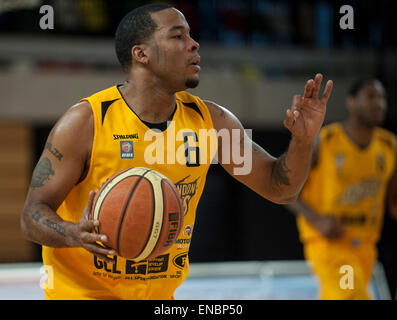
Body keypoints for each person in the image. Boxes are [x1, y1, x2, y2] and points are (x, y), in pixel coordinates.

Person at [21, 4, 333, 299]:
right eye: (177, 36)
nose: (194, 44)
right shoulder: (87, 122)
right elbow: (32, 214)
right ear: (141, 54)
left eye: (191, 35)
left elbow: (281, 190)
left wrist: (303, 141)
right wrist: (74, 233)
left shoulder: (212, 123)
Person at [287, 78, 397, 300]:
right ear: (351, 102)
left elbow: (393, 200)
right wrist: (317, 220)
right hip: (330, 245)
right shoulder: (327, 140)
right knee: (353, 296)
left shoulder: (389, 145)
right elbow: (286, 191)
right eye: (371, 96)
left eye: (383, 98)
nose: (379, 104)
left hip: (365, 246)